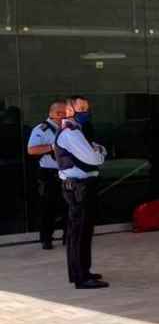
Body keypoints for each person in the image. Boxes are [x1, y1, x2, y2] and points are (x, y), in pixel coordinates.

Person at [55, 97, 108, 289]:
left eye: (87, 107)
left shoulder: (78, 131)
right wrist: (99, 153)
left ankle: (84, 271)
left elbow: (96, 151)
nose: (85, 111)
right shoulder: (71, 133)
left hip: (83, 185)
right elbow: (94, 157)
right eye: (81, 108)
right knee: (79, 232)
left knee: (85, 231)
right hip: (78, 187)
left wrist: (98, 151)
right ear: (69, 110)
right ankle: (80, 277)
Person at [27, 101, 68, 250]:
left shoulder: (68, 128)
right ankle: (46, 238)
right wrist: (51, 147)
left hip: (67, 172)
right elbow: (31, 150)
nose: (67, 115)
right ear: (56, 114)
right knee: (48, 207)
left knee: (68, 206)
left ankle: (68, 236)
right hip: (49, 173)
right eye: (64, 112)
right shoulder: (42, 129)